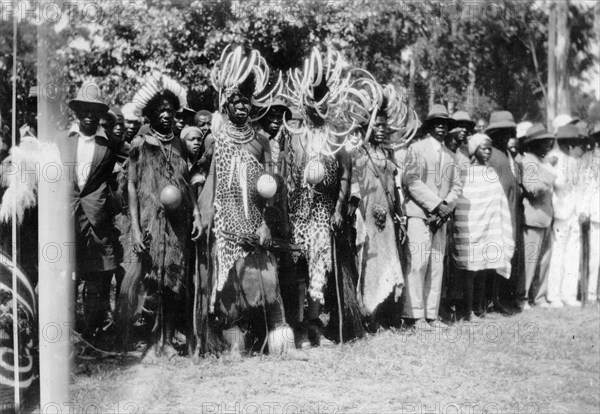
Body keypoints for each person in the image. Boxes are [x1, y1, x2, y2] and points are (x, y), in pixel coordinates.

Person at [200, 46, 292, 354]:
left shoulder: (261, 140)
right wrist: (206, 218)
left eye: (245, 102)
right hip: (227, 224)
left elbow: (272, 186)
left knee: (268, 283)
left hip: (256, 221)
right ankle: (234, 341)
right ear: (226, 106)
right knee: (230, 287)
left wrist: (267, 222)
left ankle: (278, 338)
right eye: (235, 101)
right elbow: (210, 183)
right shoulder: (216, 140)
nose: (241, 107)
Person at [121, 73, 202, 360]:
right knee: (152, 282)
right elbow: (130, 185)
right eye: (160, 111)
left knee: (173, 282)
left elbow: (186, 181)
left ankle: (167, 341)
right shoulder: (140, 145)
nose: (166, 115)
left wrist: (195, 213)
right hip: (149, 224)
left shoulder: (179, 146)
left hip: (177, 223)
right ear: (152, 115)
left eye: (170, 110)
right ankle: (151, 341)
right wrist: (134, 228)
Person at [284, 48, 356, 346]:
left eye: (322, 98)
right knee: (299, 264)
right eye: (313, 99)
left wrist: (339, 207)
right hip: (299, 207)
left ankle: (314, 325)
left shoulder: (338, 135)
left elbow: (345, 174)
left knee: (319, 266)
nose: (317, 104)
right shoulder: (295, 134)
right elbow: (286, 172)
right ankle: (299, 326)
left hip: (325, 209)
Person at [58, 83, 119, 345]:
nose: (90, 115)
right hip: (67, 215)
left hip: (97, 216)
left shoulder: (109, 144)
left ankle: (95, 330)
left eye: (95, 111)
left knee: (97, 274)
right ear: (77, 112)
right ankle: (68, 328)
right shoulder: (62, 141)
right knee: (66, 272)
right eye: (86, 110)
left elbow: (123, 171)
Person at [348, 85, 406, 328]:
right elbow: (353, 187)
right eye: (377, 125)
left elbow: (396, 188)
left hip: (388, 217)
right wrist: (355, 213)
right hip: (367, 216)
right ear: (366, 127)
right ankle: (367, 313)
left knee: (388, 260)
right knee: (369, 262)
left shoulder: (388, 154)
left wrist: (400, 215)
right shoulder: (357, 154)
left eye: (384, 125)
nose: (382, 130)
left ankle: (385, 314)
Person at [402, 104, 462, 330]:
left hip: (441, 218)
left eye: (444, 124)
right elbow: (411, 181)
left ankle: (431, 314)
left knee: (436, 266)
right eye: (437, 123)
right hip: (419, 215)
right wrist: (437, 205)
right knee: (418, 263)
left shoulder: (450, 156)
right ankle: (414, 315)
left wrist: (446, 207)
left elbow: (456, 186)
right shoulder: (416, 149)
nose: (441, 127)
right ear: (429, 126)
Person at [453, 134, 514, 321]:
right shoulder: (465, 172)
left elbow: (498, 201)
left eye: (489, 148)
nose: (487, 152)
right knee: (471, 270)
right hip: (470, 227)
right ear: (474, 150)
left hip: (488, 228)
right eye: (483, 148)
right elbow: (462, 201)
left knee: (483, 268)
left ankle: (480, 309)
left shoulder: (490, 173)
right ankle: (468, 311)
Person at [545, 124, 587, 307]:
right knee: (558, 253)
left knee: (573, 253)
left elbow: (581, 189)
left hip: (574, 213)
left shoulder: (576, 162)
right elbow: (551, 187)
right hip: (559, 213)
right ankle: (554, 295)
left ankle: (569, 294)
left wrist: (582, 210)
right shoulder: (551, 160)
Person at [485, 110, 521, 314]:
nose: (506, 136)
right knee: (492, 256)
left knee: (505, 254)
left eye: (509, 132)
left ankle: (499, 298)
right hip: (495, 214)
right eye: (501, 132)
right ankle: (490, 300)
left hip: (511, 212)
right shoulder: (491, 155)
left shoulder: (510, 156)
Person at [518, 123, 555, 310]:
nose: (547, 144)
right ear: (533, 144)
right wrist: (549, 177)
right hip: (533, 218)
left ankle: (539, 297)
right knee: (530, 262)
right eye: (543, 142)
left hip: (545, 218)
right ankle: (523, 298)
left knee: (543, 261)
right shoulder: (529, 161)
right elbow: (532, 189)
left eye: (548, 141)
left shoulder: (541, 161)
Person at [580, 123, 600, 302]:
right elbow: (587, 188)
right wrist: (584, 209)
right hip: (596, 212)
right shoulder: (590, 159)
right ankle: (592, 293)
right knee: (595, 255)